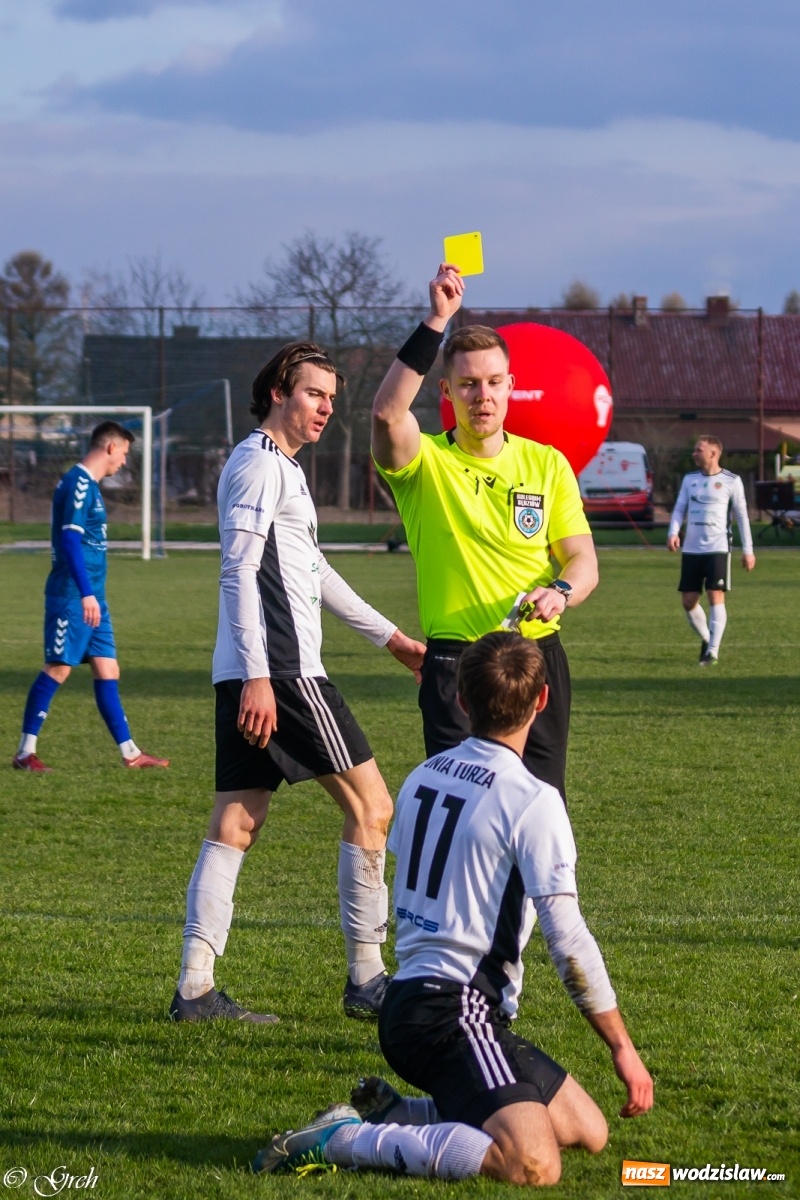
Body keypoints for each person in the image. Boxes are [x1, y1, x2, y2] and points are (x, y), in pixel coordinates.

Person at [253, 632, 654, 1183]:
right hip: (453, 1011)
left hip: (414, 998)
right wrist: (623, 1049)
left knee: (588, 1130)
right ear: (542, 701)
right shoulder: (534, 800)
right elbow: (569, 943)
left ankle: (401, 1113)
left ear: (462, 701)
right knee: (533, 1164)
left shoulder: (423, 776)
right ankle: (344, 1140)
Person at [170, 341, 426, 1025]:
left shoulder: (277, 467)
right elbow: (237, 570)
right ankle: (368, 979)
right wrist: (260, 674)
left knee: (237, 820)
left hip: (251, 671)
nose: (327, 408)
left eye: (333, 399)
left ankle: (194, 989)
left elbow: (312, 570)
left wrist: (392, 639)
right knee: (373, 809)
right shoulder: (259, 466)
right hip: (279, 672)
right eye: (316, 394)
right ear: (281, 389)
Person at [370, 264, 598, 802]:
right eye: (468, 384)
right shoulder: (424, 461)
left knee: (541, 807)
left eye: (494, 382)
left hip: (535, 657)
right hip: (456, 666)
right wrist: (437, 319)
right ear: (446, 389)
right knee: (465, 812)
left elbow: (582, 562)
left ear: (511, 386)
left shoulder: (547, 465)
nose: (483, 396)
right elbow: (385, 414)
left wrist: (560, 591)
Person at [12, 421, 169, 773]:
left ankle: (131, 753)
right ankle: (25, 752)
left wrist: (93, 595)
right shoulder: (78, 483)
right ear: (111, 447)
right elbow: (69, 541)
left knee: (107, 667)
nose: (124, 463)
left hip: (94, 597)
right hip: (73, 595)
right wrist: (85, 594)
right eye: (125, 454)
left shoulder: (90, 486)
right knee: (58, 667)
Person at [667, 435, 755, 665]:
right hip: (691, 550)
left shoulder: (731, 481)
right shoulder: (690, 480)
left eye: (698, 450)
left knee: (715, 596)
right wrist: (673, 533)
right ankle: (707, 639)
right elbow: (679, 509)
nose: (694, 453)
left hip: (718, 547)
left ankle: (713, 652)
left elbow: (743, 516)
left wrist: (748, 550)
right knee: (688, 601)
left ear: (713, 454)